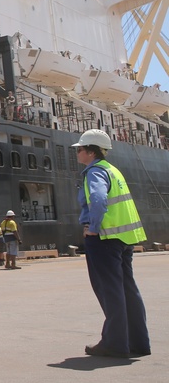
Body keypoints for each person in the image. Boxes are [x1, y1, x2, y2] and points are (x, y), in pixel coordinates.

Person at [73, 129, 150, 358]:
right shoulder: (112, 170)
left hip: (104, 238)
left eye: (80, 149)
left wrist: (94, 229)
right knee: (128, 290)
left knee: (110, 291)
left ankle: (115, 344)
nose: (77, 153)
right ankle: (138, 343)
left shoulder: (94, 172)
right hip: (124, 238)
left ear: (90, 151)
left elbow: (97, 199)